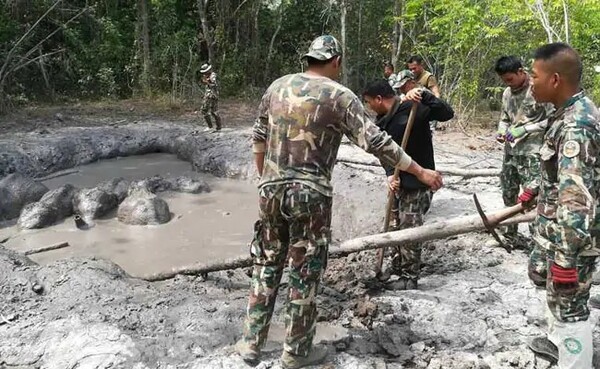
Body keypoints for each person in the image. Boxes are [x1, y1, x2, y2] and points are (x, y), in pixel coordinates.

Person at [235, 35, 443, 369]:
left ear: (308, 59)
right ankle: (296, 352)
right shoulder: (339, 95)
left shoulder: (277, 87)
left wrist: (266, 180)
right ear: (336, 61)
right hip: (310, 194)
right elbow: (376, 142)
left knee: (266, 263)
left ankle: (250, 344)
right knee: (304, 271)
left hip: (270, 191)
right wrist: (419, 170)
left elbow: (258, 139)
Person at [526, 43, 600, 369]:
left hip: (572, 241)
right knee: (557, 297)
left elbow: (577, 200)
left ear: (554, 79)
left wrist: (566, 258)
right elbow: (559, 173)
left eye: (534, 75)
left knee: (571, 307)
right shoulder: (565, 114)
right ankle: (558, 345)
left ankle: (576, 361)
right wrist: (533, 188)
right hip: (557, 235)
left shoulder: (576, 126)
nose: (530, 82)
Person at [363, 75, 453, 290]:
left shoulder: (413, 108)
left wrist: (426, 95)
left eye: (368, 102)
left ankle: (409, 277)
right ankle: (397, 266)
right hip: (398, 182)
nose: (369, 107)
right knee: (395, 226)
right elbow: (385, 153)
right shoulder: (382, 121)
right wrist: (388, 174)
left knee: (410, 229)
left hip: (419, 182)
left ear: (378, 99)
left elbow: (447, 113)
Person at [493, 56, 552, 283]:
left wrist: (526, 129)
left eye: (510, 79)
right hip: (511, 151)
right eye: (504, 81)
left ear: (521, 72)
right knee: (508, 191)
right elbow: (505, 117)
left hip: (533, 152)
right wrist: (502, 130)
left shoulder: (538, 90)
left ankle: (539, 245)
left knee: (531, 197)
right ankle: (511, 234)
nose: (508, 84)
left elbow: (551, 120)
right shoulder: (507, 93)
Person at [407, 56, 442, 131]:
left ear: (420, 65)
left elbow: (436, 94)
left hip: (426, 112)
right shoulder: (412, 77)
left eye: (414, 68)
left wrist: (435, 110)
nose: (412, 71)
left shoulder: (428, 77)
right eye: (410, 69)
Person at [199, 63, 222, 131]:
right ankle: (216, 127)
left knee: (205, 110)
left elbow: (213, 84)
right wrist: (205, 82)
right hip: (210, 95)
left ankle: (213, 127)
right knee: (212, 111)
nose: (205, 73)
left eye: (205, 71)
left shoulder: (212, 75)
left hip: (211, 95)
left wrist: (207, 82)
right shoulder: (207, 75)